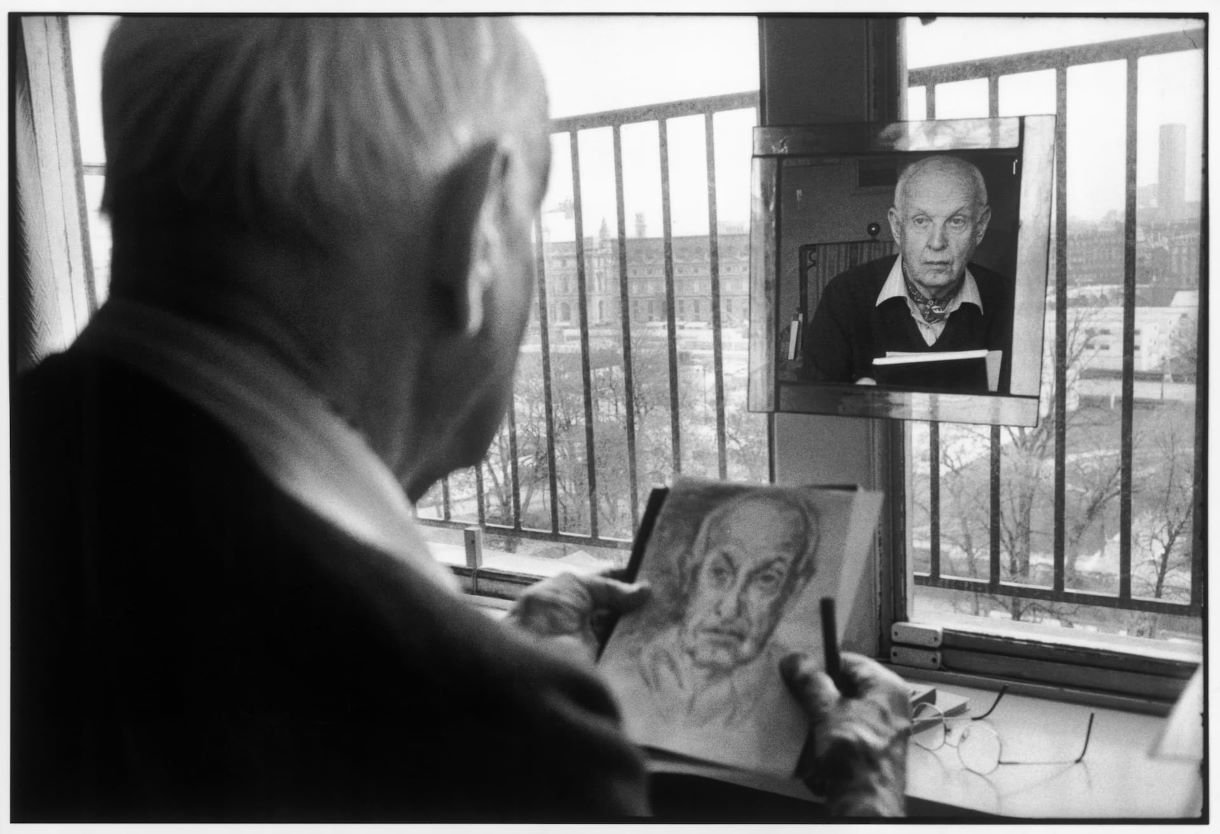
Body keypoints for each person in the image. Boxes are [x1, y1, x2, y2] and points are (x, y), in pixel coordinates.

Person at [11, 16, 911, 822]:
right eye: (531, 222)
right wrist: (863, 803)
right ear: (475, 226)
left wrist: (503, 656)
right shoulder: (495, 749)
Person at [801, 154, 1014, 393]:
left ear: (981, 226)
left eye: (956, 221)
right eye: (921, 221)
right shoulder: (844, 296)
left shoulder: (1011, 301)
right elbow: (815, 408)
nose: (936, 242)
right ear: (896, 227)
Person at [634, 493, 819, 729]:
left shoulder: (794, 693)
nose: (730, 609)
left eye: (766, 579)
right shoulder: (632, 662)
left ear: (792, 593)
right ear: (690, 574)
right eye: (719, 572)